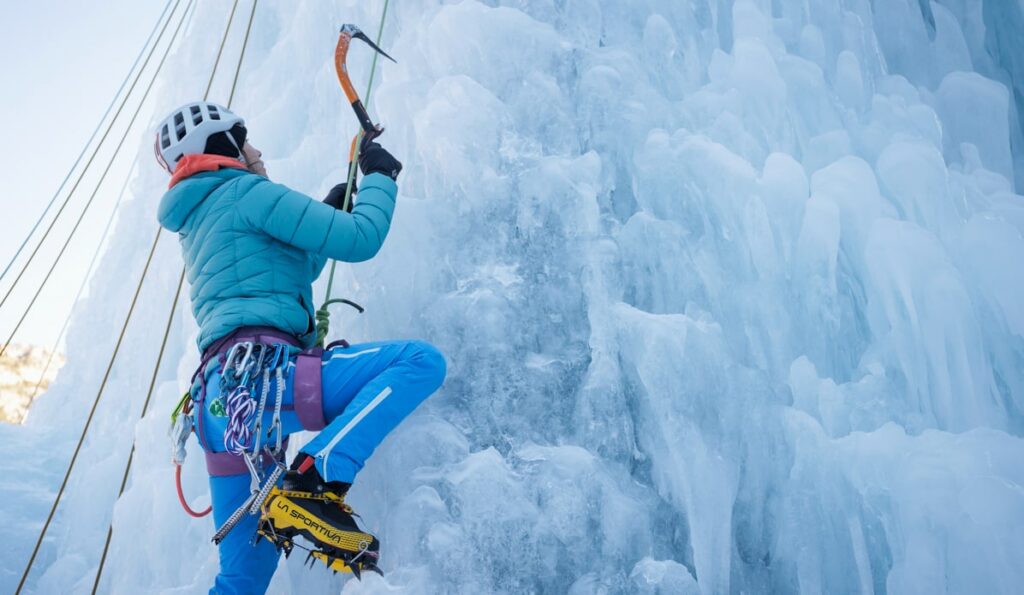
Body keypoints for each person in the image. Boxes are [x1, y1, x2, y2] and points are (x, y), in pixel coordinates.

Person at [155, 102, 446, 594]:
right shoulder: (248, 191)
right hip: (268, 380)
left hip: (220, 410)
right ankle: (314, 473)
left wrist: (328, 208)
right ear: (222, 148)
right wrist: (380, 177)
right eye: (244, 140)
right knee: (419, 362)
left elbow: (282, 271)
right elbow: (361, 238)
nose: (257, 150)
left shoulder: (199, 219)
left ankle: (304, 481)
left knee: (241, 581)